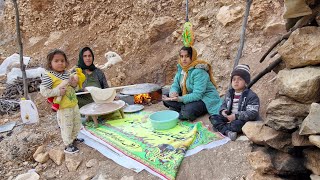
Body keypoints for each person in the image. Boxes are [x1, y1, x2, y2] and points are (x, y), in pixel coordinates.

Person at [40, 49, 83, 154]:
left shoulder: (67, 74)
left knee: (76, 123)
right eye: (56, 61)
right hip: (63, 108)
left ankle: (73, 138)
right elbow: (44, 91)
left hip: (73, 104)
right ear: (50, 63)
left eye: (62, 61)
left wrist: (75, 84)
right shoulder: (49, 76)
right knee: (66, 126)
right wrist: (57, 91)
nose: (60, 63)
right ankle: (68, 145)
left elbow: (74, 89)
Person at [162, 46, 221, 121]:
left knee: (187, 112)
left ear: (192, 57)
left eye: (187, 56)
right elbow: (175, 85)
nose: (184, 59)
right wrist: (173, 92)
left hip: (204, 98)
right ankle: (184, 108)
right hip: (189, 96)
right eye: (182, 56)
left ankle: (187, 110)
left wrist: (180, 99)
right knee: (165, 98)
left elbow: (198, 95)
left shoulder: (199, 71)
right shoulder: (181, 69)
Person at [209, 64, 260, 141]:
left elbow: (252, 113)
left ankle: (221, 128)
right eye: (234, 79)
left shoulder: (251, 96)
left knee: (237, 124)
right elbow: (224, 104)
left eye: (240, 79)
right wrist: (223, 111)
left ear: (246, 82)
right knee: (213, 118)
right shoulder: (229, 93)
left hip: (241, 119)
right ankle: (227, 131)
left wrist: (236, 116)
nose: (236, 82)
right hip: (229, 117)